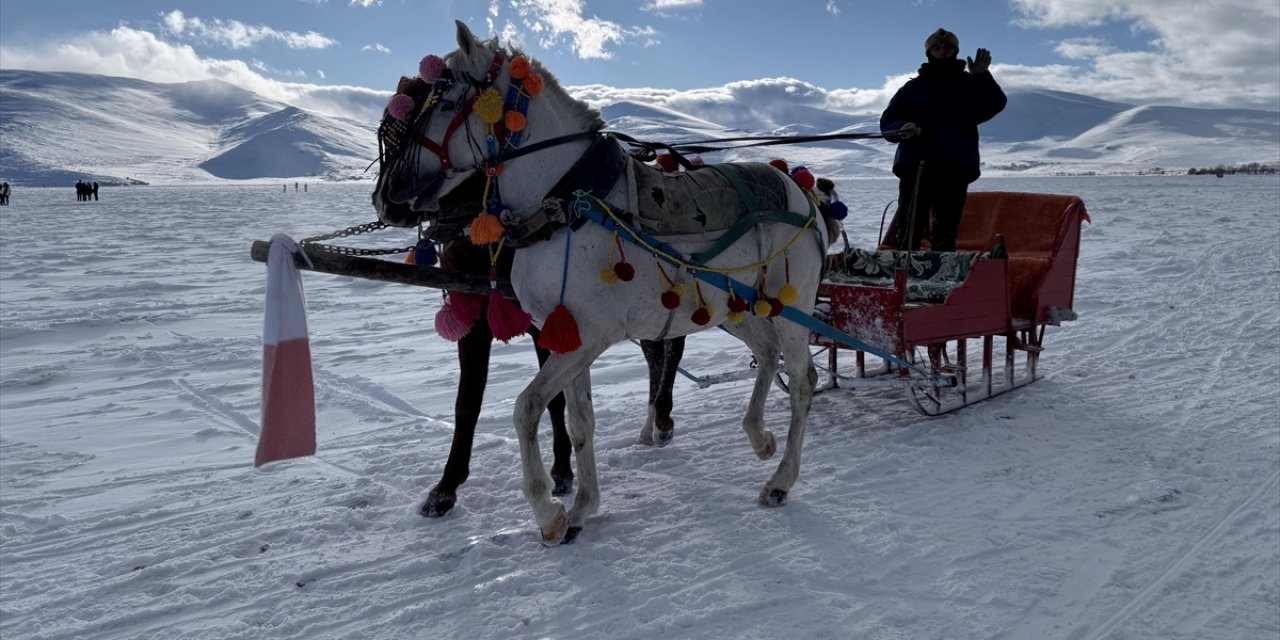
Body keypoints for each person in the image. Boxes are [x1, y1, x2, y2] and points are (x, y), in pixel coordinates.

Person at [881, 28, 1007, 252]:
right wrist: (902, 127)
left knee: (946, 230)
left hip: (954, 168)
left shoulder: (970, 84)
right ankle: (902, 277)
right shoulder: (912, 88)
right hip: (916, 167)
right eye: (937, 48)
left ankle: (941, 278)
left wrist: (982, 76)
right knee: (909, 227)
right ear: (929, 52)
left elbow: (994, 105)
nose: (942, 51)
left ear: (955, 51)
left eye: (948, 48)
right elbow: (888, 121)